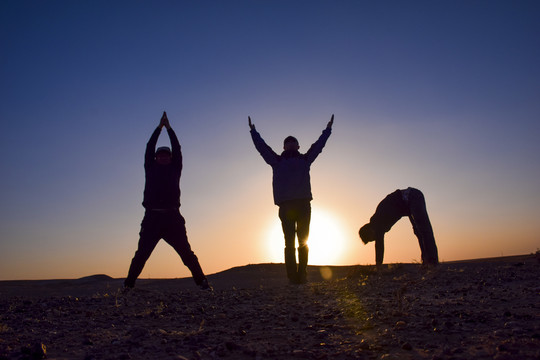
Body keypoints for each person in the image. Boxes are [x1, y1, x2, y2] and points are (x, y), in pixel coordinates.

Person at [125, 111, 211, 290]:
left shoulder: (176, 168)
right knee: (141, 254)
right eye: (160, 155)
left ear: (170, 158)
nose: (163, 157)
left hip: (173, 218)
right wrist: (159, 128)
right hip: (152, 218)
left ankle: (202, 282)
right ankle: (128, 286)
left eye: (166, 155)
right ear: (156, 158)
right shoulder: (150, 168)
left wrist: (169, 129)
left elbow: (177, 148)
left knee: (186, 253)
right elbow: (149, 147)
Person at [249, 115, 333, 284]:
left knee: (298, 242)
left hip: (297, 205)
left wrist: (328, 130)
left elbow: (318, 146)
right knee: (294, 243)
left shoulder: (297, 160)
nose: (291, 145)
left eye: (292, 143)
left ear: (295, 146)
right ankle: (296, 276)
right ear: (286, 147)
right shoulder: (281, 161)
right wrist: (253, 132)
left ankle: (299, 276)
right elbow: (262, 148)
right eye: (289, 143)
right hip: (293, 206)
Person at [359, 187, 439, 269]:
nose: (373, 240)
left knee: (424, 229)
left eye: (370, 239)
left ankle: (432, 262)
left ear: (368, 231)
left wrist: (378, 265)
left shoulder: (377, 221)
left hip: (411, 196)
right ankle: (426, 261)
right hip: (408, 205)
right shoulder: (377, 221)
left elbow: (379, 244)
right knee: (418, 232)